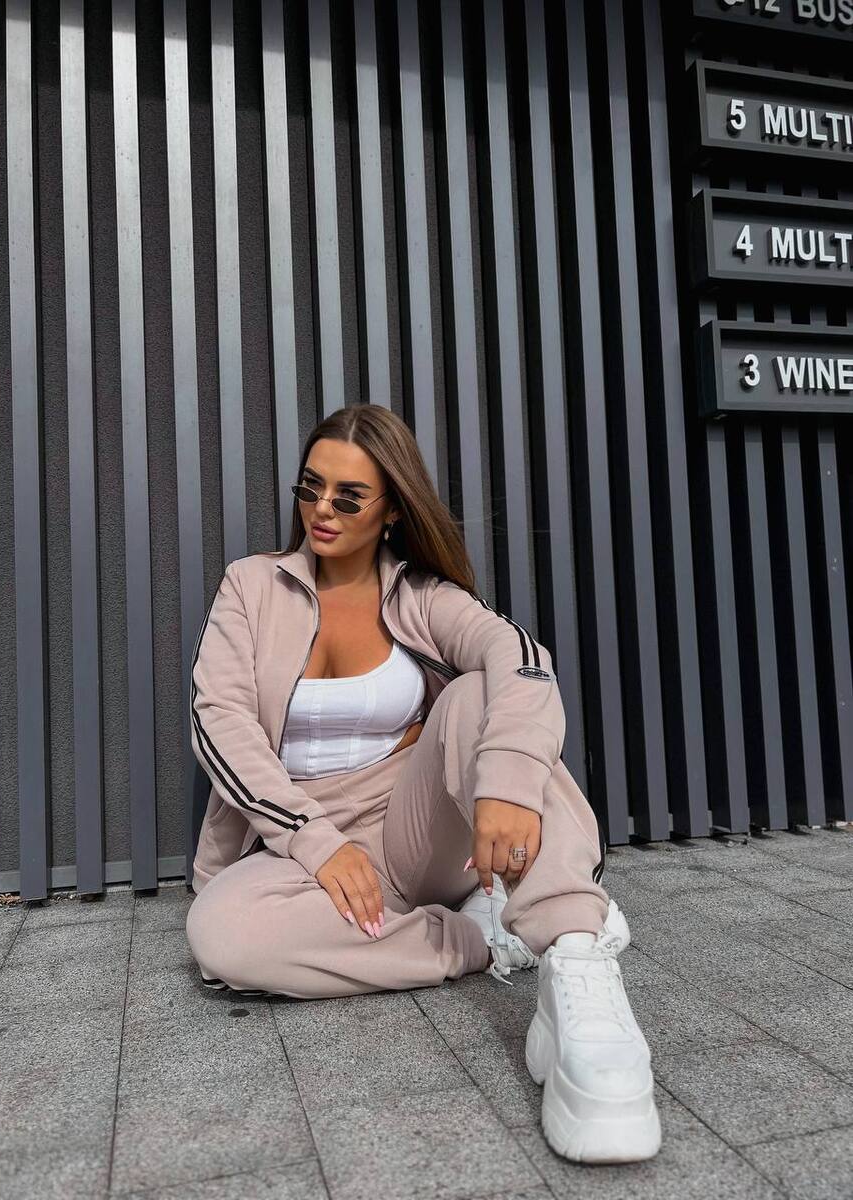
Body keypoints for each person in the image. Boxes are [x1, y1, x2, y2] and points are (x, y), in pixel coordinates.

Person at [185, 404, 661, 1165]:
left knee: (481, 693)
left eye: (349, 497)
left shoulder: (423, 596)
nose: (322, 510)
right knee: (222, 935)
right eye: (311, 488)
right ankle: (485, 938)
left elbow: (522, 658)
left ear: (393, 510)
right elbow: (221, 723)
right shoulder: (252, 586)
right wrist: (315, 842)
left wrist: (506, 782)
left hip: (417, 828)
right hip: (300, 845)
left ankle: (576, 956)